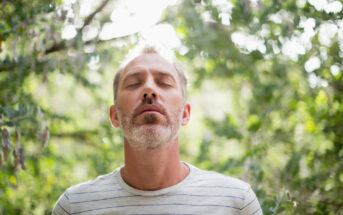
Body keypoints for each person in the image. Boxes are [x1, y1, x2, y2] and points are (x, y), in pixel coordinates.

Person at [52, 43, 263, 215]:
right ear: (115, 116)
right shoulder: (74, 206)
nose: (149, 90)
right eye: (134, 83)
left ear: (185, 114)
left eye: (164, 82)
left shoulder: (237, 202)